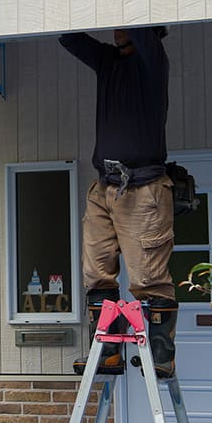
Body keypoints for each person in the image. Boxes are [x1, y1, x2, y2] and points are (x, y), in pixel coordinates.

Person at [58, 26, 178, 378]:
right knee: (96, 272)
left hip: (144, 187)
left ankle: (160, 356)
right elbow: (69, 38)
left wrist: (129, 5)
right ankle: (108, 350)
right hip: (105, 186)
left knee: (148, 278)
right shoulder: (108, 63)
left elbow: (141, 31)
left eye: (121, 21)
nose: (115, 28)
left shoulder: (152, 62)